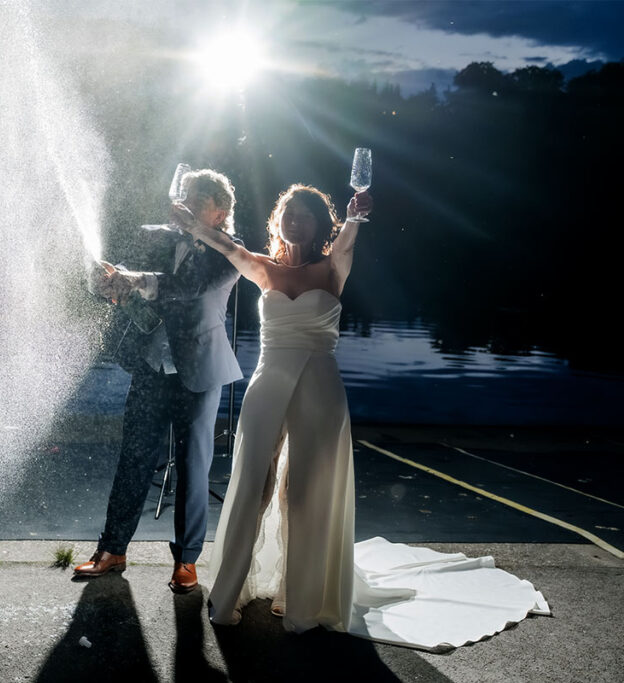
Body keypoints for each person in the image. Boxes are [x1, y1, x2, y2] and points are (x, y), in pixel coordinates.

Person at [176, 184, 549, 650]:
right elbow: (225, 244)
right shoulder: (263, 268)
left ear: (320, 226)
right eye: (289, 214)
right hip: (267, 383)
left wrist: (355, 216)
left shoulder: (333, 266)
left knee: (306, 492)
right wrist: (190, 221)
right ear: (278, 220)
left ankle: (300, 595)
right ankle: (232, 591)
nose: (296, 221)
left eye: (306, 216)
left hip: (319, 386)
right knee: (254, 482)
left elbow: (348, 240)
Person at [75, 168, 243, 593]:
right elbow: (136, 283)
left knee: (192, 468)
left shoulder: (231, 253)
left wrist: (136, 280)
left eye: (196, 200)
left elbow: (185, 287)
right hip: (151, 368)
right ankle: (112, 550)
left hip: (199, 373)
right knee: (133, 458)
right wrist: (113, 281)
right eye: (183, 195)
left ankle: (186, 561)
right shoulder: (160, 237)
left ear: (219, 213)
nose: (185, 204)